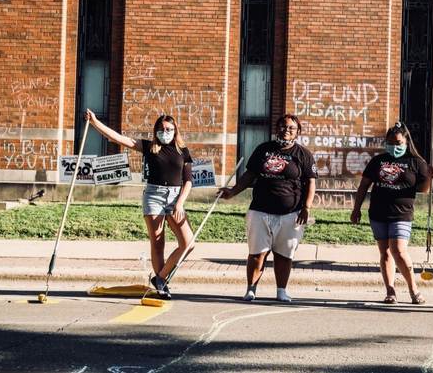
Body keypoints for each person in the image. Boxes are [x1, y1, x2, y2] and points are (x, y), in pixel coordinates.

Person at [85, 109, 194, 300]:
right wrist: (95, 122)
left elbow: (188, 181)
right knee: (158, 243)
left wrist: (180, 203)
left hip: (176, 198)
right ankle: (162, 288)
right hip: (154, 196)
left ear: (175, 130)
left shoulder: (182, 151)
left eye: (169, 128)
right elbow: (119, 138)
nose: (165, 131)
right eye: (161, 128)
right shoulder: (149, 147)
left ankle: (160, 278)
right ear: (155, 130)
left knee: (188, 243)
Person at [219, 114, 317, 302]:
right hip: (260, 210)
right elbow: (250, 174)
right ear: (276, 128)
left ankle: (281, 291)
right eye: (282, 126)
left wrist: (306, 207)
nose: (286, 130)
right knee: (257, 252)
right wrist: (233, 192)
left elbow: (310, 183)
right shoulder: (264, 149)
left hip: (290, 213)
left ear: (298, 132)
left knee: (284, 254)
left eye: (291, 128)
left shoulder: (303, 155)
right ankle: (251, 289)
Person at [351, 122, 433, 305]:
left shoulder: (416, 162)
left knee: (398, 250)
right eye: (390, 142)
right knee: (385, 253)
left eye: (398, 142)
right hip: (378, 212)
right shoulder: (378, 161)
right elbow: (364, 186)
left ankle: (413, 288)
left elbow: (424, 190)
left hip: (402, 213)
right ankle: (390, 289)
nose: (394, 146)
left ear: (406, 142)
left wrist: (430, 176)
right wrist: (356, 209)